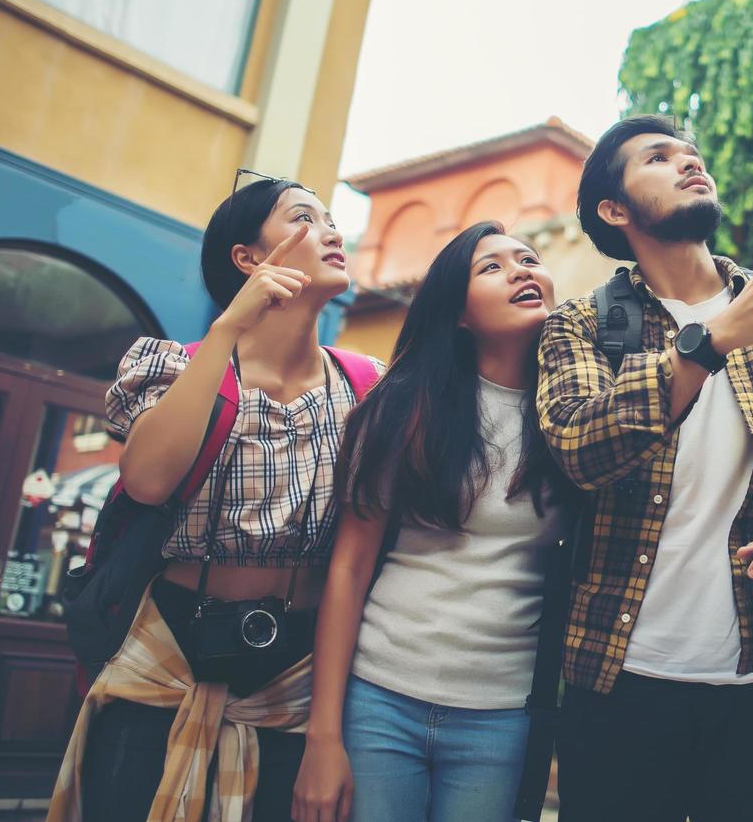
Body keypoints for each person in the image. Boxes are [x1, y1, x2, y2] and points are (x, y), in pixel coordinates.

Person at [535, 114, 753, 822]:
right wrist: (711, 340)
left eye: (692, 153)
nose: (689, 162)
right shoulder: (580, 324)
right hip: (621, 679)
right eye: (658, 158)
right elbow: (577, 449)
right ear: (614, 209)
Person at [50, 174, 383, 820]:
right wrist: (230, 328)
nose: (332, 232)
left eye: (331, 220)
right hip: (166, 653)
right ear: (248, 258)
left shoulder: (364, 386)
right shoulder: (174, 364)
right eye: (303, 219)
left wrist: (327, 731)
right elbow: (148, 480)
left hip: (295, 674)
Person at [291, 221, 571, 822]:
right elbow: (350, 567)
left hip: (502, 712)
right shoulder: (403, 405)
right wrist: (323, 735)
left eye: (528, 258)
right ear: (459, 313)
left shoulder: (571, 418)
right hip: (379, 698)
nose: (522, 270)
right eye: (491, 267)